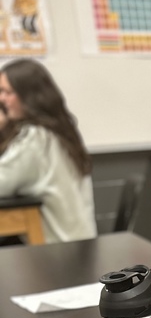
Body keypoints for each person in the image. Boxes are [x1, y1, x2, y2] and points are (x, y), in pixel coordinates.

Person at [0, 58, 97, 243]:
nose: (1, 99)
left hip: (57, 251)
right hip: (81, 240)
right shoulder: (61, 131)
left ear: (28, 96)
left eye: (7, 92)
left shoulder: (35, 139)